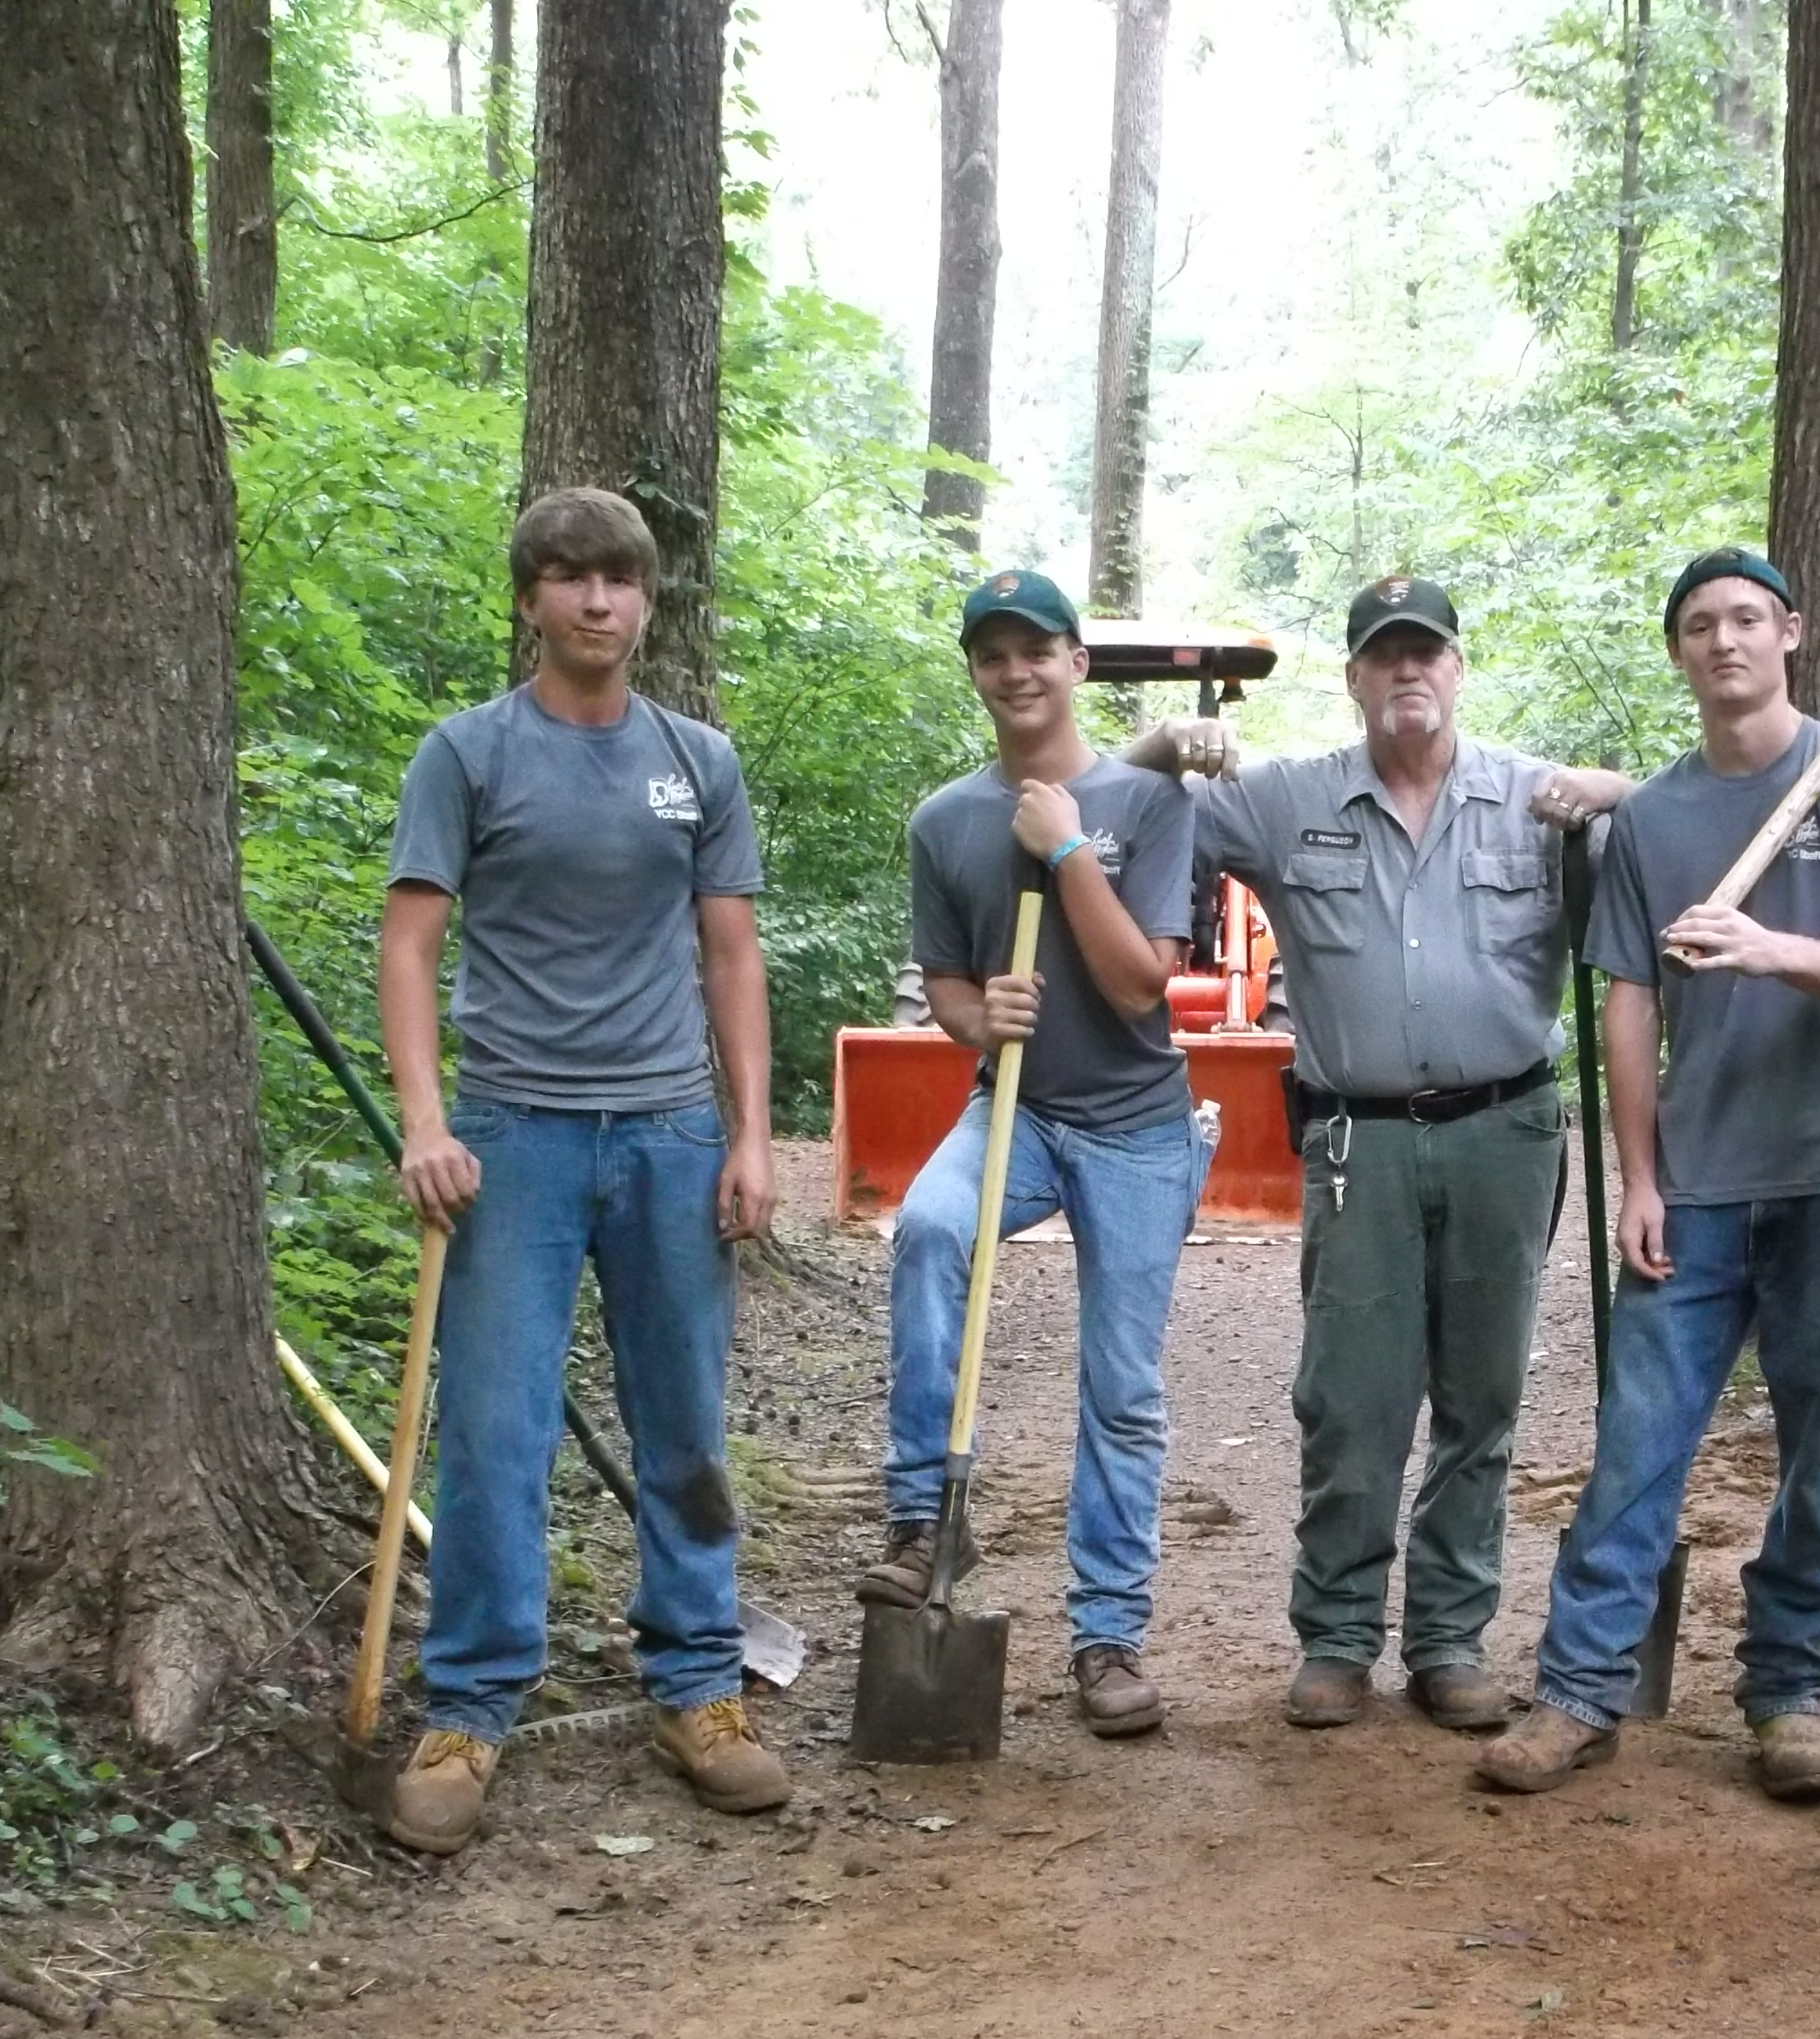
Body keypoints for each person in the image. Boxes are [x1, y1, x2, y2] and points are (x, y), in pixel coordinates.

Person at [374, 485, 787, 1853]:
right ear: (531, 599)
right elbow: (412, 949)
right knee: (497, 1429)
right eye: (569, 578)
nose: (596, 602)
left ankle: (698, 1687)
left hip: (668, 1137)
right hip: (514, 1137)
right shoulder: (470, 755)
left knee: (685, 1423)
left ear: (648, 602)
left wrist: (746, 1136)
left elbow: (730, 953)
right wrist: (427, 1122)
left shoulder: (697, 762)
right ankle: (472, 1707)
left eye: (619, 579)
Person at [1472, 548, 1820, 1801]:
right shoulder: (1654, 820)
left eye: (1745, 620)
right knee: (1639, 1442)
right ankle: (1579, 1691)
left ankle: (1787, 1692)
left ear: (1793, 631)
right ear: (1678, 653)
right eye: (1699, 626)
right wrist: (1640, 1177)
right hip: (1701, 1185)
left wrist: (1769, 947)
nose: (1723, 642)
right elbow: (1626, 1004)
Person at [1167, 576, 1632, 1730]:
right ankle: (1334, 1636)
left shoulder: (1541, 799)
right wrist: (1156, 744)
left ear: (1459, 669)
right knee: (1352, 1397)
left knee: (1482, 1396)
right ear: (1355, 679)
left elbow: (1697, 829)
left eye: (1426, 653)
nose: (1407, 672)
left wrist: (1625, 792)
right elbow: (1124, 819)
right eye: (1384, 656)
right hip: (1355, 1140)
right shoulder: (1287, 803)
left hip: (1506, 1131)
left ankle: (1449, 1640)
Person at [857, 569, 1208, 1738]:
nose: (1017, 672)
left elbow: (1139, 984)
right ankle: (926, 1521)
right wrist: (975, 1019)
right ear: (975, 670)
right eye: (993, 653)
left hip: (1139, 1131)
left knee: (1121, 1388)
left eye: (1037, 650)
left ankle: (1107, 1636)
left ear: (1077, 664)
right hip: (1014, 1111)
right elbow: (947, 987)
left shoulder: (1147, 805)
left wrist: (1066, 853)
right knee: (929, 1229)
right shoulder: (942, 820)